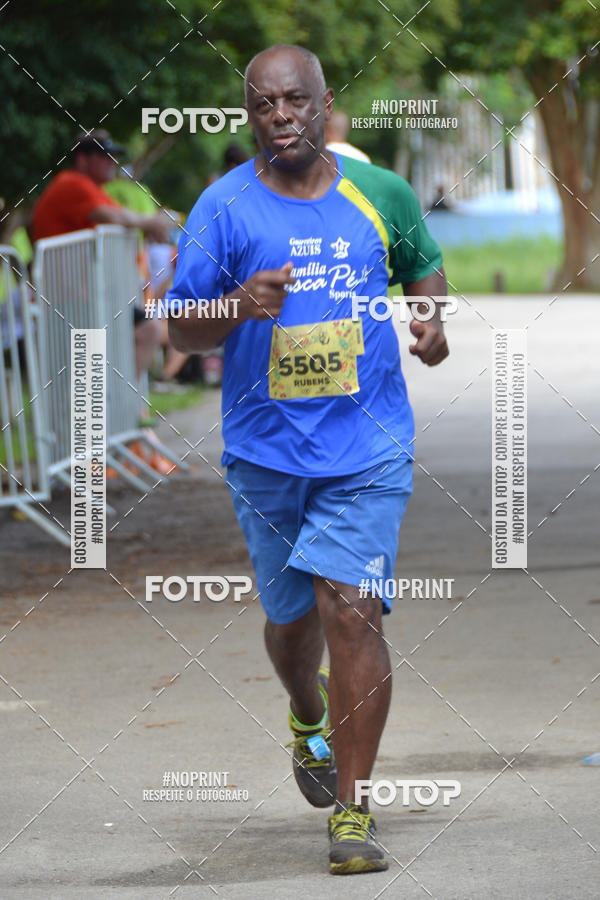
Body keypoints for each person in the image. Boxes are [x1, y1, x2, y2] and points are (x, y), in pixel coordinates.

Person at [167, 44, 449, 876]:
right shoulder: (222, 208)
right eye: (263, 105)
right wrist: (236, 304)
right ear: (249, 114)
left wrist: (431, 326)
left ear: (325, 104)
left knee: (351, 609)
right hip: (265, 455)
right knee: (293, 624)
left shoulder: (381, 193)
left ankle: (354, 813)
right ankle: (304, 709)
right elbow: (181, 331)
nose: (281, 116)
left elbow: (424, 274)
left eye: (295, 101)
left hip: (366, 449)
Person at [31, 130, 170, 383]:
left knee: (147, 329)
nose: (112, 161)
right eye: (105, 155)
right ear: (83, 159)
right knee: (80, 382)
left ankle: (123, 406)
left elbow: (121, 216)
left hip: (86, 298)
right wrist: (152, 222)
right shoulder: (71, 183)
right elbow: (115, 217)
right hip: (67, 301)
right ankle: (111, 411)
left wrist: (149, 224)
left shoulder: (91, 188)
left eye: (114, 156)